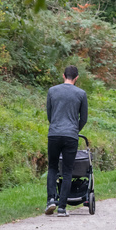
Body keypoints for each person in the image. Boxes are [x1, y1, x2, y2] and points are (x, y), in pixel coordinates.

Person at [45, 65, 88, 216]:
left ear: (63, 76)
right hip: (71, 135)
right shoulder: (81, 94)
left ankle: (51, 199)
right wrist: (75, 129)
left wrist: (56, 125)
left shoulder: (52, 91)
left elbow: (49, 115)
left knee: (52, 167)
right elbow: (84, 118)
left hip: (54, 134)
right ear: (76, 78)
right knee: (68, 170)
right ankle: (62, 207)